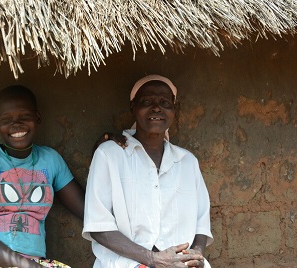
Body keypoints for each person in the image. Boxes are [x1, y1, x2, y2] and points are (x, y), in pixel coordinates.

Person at [82, 74, 213, 268]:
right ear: (133, 107)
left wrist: (196, 255)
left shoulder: (187, 162)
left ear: (174, 110)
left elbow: (201, 223)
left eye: (164, 102)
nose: (156, 108)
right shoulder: (109, 155)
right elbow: (98, 226)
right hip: (125, 264)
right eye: (147, 101)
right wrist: (153, 260)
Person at [0, 85, 85, 268]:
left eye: (24, 117)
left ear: (37, 118)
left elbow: (88, 212)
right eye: (6, 119)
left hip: (35, 262)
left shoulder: (50, 160)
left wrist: (104, 148)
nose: (16, 125)